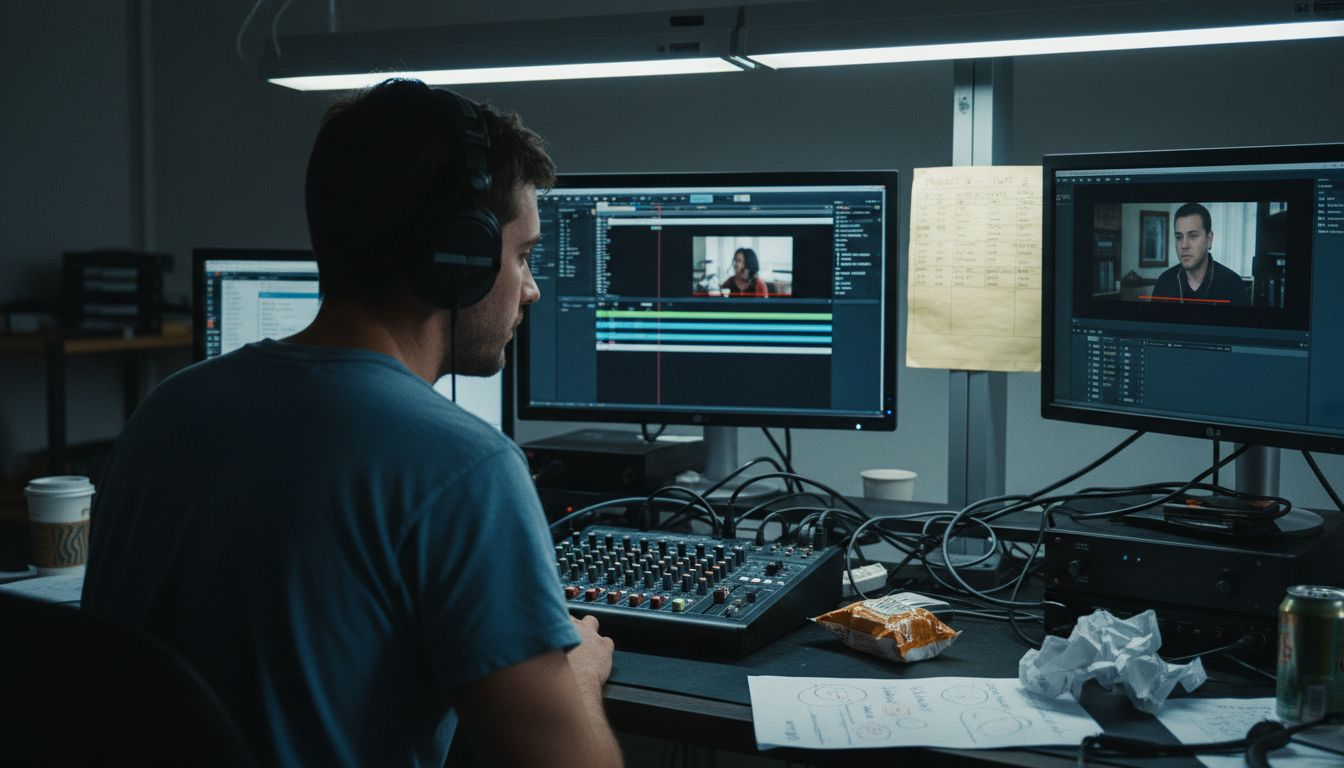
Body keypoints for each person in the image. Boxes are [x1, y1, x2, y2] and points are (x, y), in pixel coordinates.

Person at [82, 79, 622, 768]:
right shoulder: (463, 468)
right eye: (522, 255)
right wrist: (574, 680)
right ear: (455, 257)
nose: (532, 287)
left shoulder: (166, 411)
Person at [1150, 202, 1250, 305]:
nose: (1184, 245)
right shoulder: (1164, 283)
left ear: (1209, 239)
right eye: (1179, 237)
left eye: (1193, 236)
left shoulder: (1233, 285)